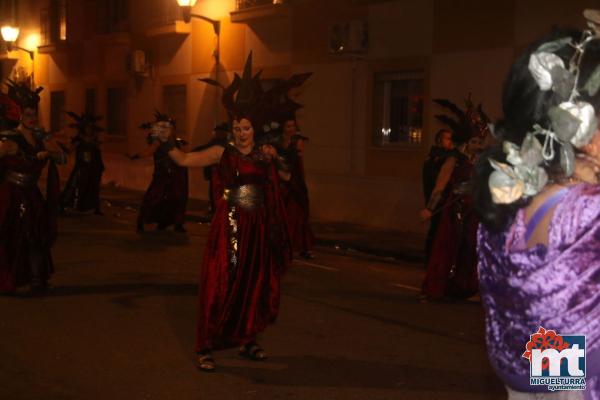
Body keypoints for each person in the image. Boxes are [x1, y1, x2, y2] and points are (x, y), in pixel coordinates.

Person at [474, 26, 600, 398]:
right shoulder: (589, 211)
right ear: (584, 129)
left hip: (538, 374)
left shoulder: (514, 201)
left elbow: (545, 355)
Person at [169, 53, 293, 372]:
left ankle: (247, 340)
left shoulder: (265, 155)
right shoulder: (220, 153)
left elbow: (288, 178)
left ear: (255, 128)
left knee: (252, 284)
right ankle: (205, 346)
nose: (241, 133)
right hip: (229, 228)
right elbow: (183, 160)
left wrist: (276, 156)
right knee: (220, 283)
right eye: (237, 127)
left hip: (256, 228)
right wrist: (165, 139)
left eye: (246, 127)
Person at [0, 80, 66, 294]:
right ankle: (14, 278)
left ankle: (37, 279)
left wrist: (48, 146)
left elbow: (62, 158)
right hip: (11, 194)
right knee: (15, 236)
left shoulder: (40, 138)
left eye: (34, 114)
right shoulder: (9, 140)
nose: (33, 118)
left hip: (32, 193)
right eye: (28, 114)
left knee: (38, 234)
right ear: (19, 115)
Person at [419, 97, 489, 300]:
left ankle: (466, 287)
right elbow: (440, 186)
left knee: (471, 248)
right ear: (467, 142)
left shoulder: (482, 162)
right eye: (475, 142)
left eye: (480, 142)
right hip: (455, 208)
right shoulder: (454, 160)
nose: (478, 146)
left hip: (474, 210)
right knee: (449, 246)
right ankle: (438, 287)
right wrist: (429, 209)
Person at [134, 111, 189, 233]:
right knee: (155, 196)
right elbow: (149, 151)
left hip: (177, 175)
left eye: (171, 127)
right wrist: (136, 156)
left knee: (177, 199)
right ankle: (142, 220)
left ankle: (174, 223)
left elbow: (185, 155)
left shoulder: (178, 141)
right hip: (162, 175)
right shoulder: (159, 141)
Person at [279, 116, 315, 259]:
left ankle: (303, 246)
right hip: (284, 179)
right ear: (283, 128)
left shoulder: (298, 141)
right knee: (285, 214)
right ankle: (285, 245)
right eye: (288, 126)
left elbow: (299, 163)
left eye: (293, 126)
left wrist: (301, 182)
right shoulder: (279, 141)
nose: (291, 129)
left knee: (298, 214)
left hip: (295, 181)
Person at [59, 111, 105, 215]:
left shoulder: (94, 139)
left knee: (94, 187)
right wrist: (63, 148)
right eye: (87, 126)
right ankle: (64, 204)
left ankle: (94, 207)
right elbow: (70, 149)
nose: (89, 128)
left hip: (93, 167)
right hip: (81, 167)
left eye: (90, 126)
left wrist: (100, 166)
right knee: (74, 186)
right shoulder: (79, 138)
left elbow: (97, 152)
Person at [422, 128, 454, 263]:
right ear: (439, 141)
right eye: (447, 138)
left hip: (445, 200)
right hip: (437, 200)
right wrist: (431, 205)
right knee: (436, 231)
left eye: (451, 138)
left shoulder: (450, 157)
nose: (450, 142)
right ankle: (430, 259)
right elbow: (435, 182)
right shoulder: (435, 159)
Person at [191, 122, 229, 216]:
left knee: (223, 192)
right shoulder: (213, 143)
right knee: (213, 191)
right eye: (217, 132)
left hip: (224, 173)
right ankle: (214, 209)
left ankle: (221, 210)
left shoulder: (226, 144)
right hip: (214, 172)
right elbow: (204, 149)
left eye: (220, 132)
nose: (218, 134)